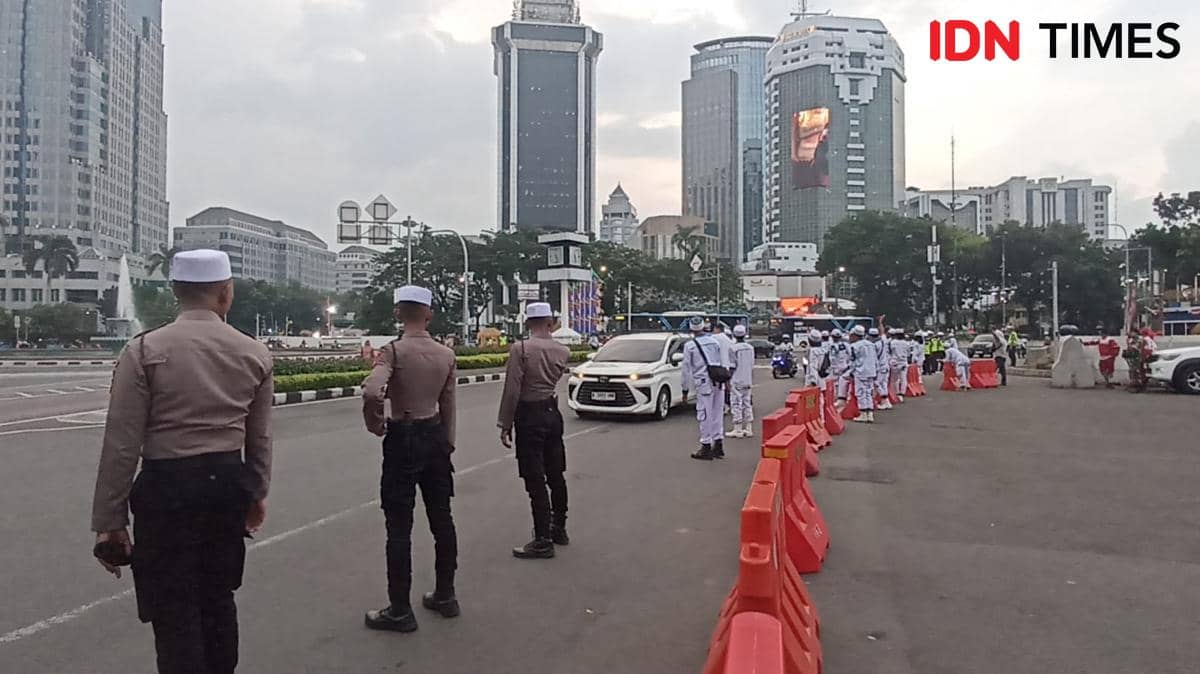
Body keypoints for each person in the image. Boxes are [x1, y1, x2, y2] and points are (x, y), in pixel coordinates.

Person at [90, 250, 273, 673]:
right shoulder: (254, 353)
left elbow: (121, 442)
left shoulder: (144, 350)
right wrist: (257, 491)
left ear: (175, 291)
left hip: (166, 490)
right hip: (227, 487)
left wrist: (110, 521)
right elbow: (259, 437)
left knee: (173, 610)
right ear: (227, 293)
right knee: (218, 598)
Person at [361, 286, 459, 633]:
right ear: (429, 314)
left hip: (403, 437)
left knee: (399, 526)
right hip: (434, 437)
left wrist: (376, 423)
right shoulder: (445, 354)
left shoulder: (393, 352)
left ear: (399, 313)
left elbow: (373, 390)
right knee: (442, 518)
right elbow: (448, 404)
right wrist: (447, 443)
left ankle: (400, 610)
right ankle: (445, 595)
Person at [497, 302, 572, 559]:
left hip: (529, 415)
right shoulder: (563, 351)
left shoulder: (521, 349)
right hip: (552, 413)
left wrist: (505, 424)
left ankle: (542, 539)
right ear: (551, 323)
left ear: (528, 323)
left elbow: (512, 390)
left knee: (534, 478)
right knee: (556, 473)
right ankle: (558, 527)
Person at [682, 316, 731, 460]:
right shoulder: (714, 342)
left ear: (691, 329)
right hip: (718, 380)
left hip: (703, 383)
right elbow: (722, 361)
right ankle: (718, 444)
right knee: (717, 413)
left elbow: (686, 370)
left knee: (704, 414)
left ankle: (706, 446)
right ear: (704, 327)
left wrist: (685, 390)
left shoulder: (690, 346)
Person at [727, 325, 756, 438]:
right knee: (747, 403)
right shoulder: (750, 347)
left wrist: (728, 378)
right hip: (747, 379)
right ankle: (749, 428)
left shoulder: (733, 348)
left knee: (736, 404)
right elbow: (751, 364)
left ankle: (738, 429)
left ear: (734, 335)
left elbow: (732, 366)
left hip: (736, 379)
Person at [847, 325, 876, 423]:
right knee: (868, 392)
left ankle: (863, 414)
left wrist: (851, 372)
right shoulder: (871, 344)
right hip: (871, 371)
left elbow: (852, 360)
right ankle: (870, 414)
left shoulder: (854, 346)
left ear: (855, 335)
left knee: (860, 393)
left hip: (860, 371)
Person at [868, 328, 892, 410]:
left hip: (880, 367)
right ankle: (886, 402)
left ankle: (884, 400)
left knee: (876, 384)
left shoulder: (874, 345)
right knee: (883, 384)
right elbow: (883, 333)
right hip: (886, 366)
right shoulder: (883, 341)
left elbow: (874, 358)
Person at [828, 329, 852, 409]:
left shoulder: (832, 345)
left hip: (838, 368)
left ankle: (840, 401)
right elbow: (850, 355)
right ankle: (838, 401)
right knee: (839, 385)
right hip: (840, 368)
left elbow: (850, 355)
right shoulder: (844, 345)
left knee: (838, 385)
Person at [887, 328, 909, 402]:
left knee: (894, 380)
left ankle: (895, 394)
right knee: (903, 379)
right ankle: (902, 394)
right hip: (903, 362)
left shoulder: (892, 342)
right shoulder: (906, 343)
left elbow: (889, 352)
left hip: (894, 362)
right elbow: (908, 353)